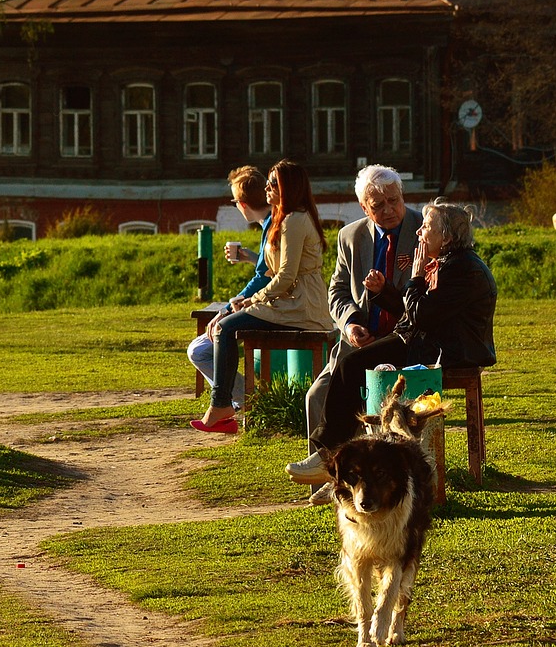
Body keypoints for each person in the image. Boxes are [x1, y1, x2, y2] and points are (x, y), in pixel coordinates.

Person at [287, 198, 497, 484]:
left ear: (446, 237)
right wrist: (385, 290)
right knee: (354, 365)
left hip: (447, 352)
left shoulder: (463, 270)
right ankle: (339, 465)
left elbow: (422, 315)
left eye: (426, 227)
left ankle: (329, 458)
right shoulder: (450, 263)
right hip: (428, 342)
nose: (419, 232)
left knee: (351, 366)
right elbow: (417, 312)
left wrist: (415, 277)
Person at [292, 165, 423, 500]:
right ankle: (332, 478)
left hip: (402, 338)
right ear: (364, 208)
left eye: (394, 201)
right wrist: (350, 323)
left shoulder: (423, 228)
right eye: (378, 206)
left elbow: (422, 295)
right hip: (357, 339)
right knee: (315, 396)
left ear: (402, 196)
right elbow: (336, 292)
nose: (389, 210)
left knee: (368, 395)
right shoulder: (351, 236)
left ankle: (347, 476)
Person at [192, 160, 333, 434]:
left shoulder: (294, 220)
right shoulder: (285, 218)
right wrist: (249, 292)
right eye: (267, 183)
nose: (266, 188)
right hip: (288, 302)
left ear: (287, 188)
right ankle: (224, 403)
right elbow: (271, 270)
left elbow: (286, 277)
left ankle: (221, 404)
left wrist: (251, 300)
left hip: (301, 305)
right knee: (226, 325)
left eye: (273, 184)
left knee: (225, 326)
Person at [187, 166, 273, 407]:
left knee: (200, 349)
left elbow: (265, 278)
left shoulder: (272, 226)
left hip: (271, 306)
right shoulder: (272, 223)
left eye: (235, 201)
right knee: (204, 343)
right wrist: (251, 257)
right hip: (270, 302)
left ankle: (243, 401)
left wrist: (227, 308)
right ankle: (238, 401)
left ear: (243, 205)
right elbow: (271, 269)